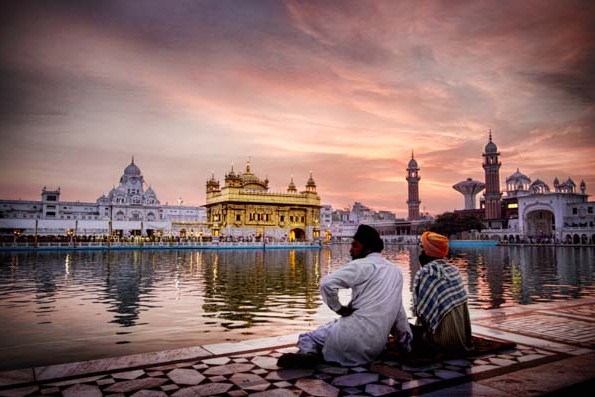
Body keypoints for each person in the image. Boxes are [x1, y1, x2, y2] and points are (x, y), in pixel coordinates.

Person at [277, 224, 412, 368]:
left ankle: (310, 354)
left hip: (346, 339)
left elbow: (326, 284)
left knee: (307, 338)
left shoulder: (362, 265)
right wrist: (406, 346)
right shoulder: (396, 271)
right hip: (375, 347)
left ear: (368, 249)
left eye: (355, 245)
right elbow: (400, 315)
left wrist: (339, 309)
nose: (351, 250)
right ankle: (317, 354)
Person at [411, 231, 474, 356]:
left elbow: (421, 312)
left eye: (423, 248)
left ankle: (430, 339)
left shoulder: (427, 272)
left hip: (442, 341)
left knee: (400, 328)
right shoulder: (453, 270)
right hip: (461, 338)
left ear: (429, 251)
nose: (421, 252)